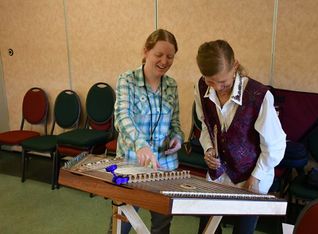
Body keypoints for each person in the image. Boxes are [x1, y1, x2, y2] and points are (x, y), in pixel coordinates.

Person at [194, 40, 286, 234]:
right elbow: (206, 126)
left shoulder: (259, 95)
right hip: (219, 175)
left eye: (223, 82)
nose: (218, 87)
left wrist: (256, 176)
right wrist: (209, 149)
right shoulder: (201, 88)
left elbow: (275, 145)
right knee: (207, 230)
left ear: (235, 65)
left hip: (252, 175)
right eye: (211, 81)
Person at [114, 29, 184, 234]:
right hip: (131, 164)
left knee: (162, 226)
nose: (164, 61)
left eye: (170, 57)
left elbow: (176, 123)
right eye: (159, 55)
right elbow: (122, 117)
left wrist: (177, 138)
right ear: (146, 51)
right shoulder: (127, 80)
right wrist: (140, 144)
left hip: (164, 167)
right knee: (121, 223)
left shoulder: (171, 85)